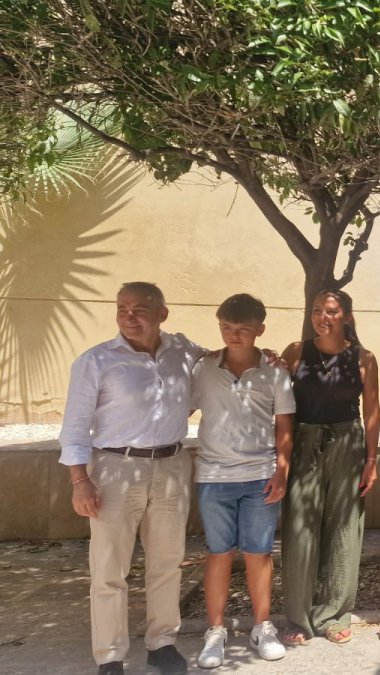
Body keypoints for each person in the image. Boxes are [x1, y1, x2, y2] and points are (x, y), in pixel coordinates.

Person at [60, 281, 202, 675]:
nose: (129, 315)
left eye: (140, 308)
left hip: (172, 466)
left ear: (162, 314)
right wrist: (79, 480)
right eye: (122, 308)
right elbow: (75, 426)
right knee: (109, 568)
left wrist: (267, 357)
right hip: (114, 469)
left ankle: (162, 643)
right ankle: (109, 656)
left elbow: (224, 363)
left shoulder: (184, 353)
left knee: (168, 561)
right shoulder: (96, 361)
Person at [190, 294, 294, 668]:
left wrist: (281, 470)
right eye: (227, 328)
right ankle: (215, 631)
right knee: (218, 553)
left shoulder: (275, 372)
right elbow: (178, 405)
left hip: (259, 477)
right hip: (214, 476)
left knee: (259, 552)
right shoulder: (202, 369)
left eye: (243, 330)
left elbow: (284, 424)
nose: (234, 336)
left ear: (259, 330)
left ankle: (262, 626)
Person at [279, 289, 380, 646]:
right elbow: (280, 404)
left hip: (347, 444)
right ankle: (298, 617)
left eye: (332, 311)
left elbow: (371, 412)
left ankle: (334, 615)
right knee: (299, 530)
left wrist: (371, 461)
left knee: (342, 530)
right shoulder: (295, 352)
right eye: (317, 310)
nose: (323, 316)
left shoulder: (364, 359)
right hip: (304, 444)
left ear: (347, 317)